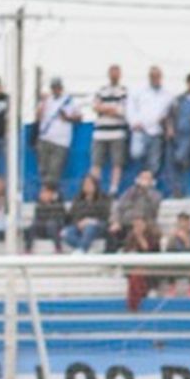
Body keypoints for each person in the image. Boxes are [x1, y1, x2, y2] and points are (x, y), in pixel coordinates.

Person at [35, 76, 80, 190]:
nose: (56, 90)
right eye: (54, 87)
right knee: (43, 170)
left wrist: (68, 117)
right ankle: (44, 194)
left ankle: (50, 194)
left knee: (54, 172)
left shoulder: (69, 101)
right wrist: (42, 102)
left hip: (61, 142)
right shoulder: (47, 101)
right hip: (45, 139)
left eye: (57, 87)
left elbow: (79, 117)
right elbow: (38, 117)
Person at [91, 65, 130, 194]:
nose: (114, 75)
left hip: (117, 133)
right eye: (112, 72)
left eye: (116, 73)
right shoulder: (101, 90)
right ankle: (94, 189)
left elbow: (122, 110)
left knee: (117, 163)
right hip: (100, 134)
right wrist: (111, 108)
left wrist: (104, 108)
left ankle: (113, 190)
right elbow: (95, 107)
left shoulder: (124, 91)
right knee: (96, 163)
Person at [62, 175, 110, 254]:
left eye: (89, 184)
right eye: (85, 184)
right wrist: (78, 223)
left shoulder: (104, 198)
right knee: (66, 233)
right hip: (80, 225)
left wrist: (90, 221)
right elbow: (72, 215)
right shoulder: (78, 199)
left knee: (89, 227)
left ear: (95, 185)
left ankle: (81, 250)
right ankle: (84, 248)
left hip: (97, 225)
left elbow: (105, 216)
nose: (87, 186)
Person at [25, 182, 67, 254]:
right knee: (34, 225)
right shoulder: (39, 205)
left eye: (44, 192)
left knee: (51, 224)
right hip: (42, 229)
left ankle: (58, 248)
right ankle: (27, 249)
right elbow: (37, 218)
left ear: (52, 194)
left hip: (54, 229)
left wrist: (50, 204)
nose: (42, 194)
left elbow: (60, 219)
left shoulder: (59, 204)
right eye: (41, 192)